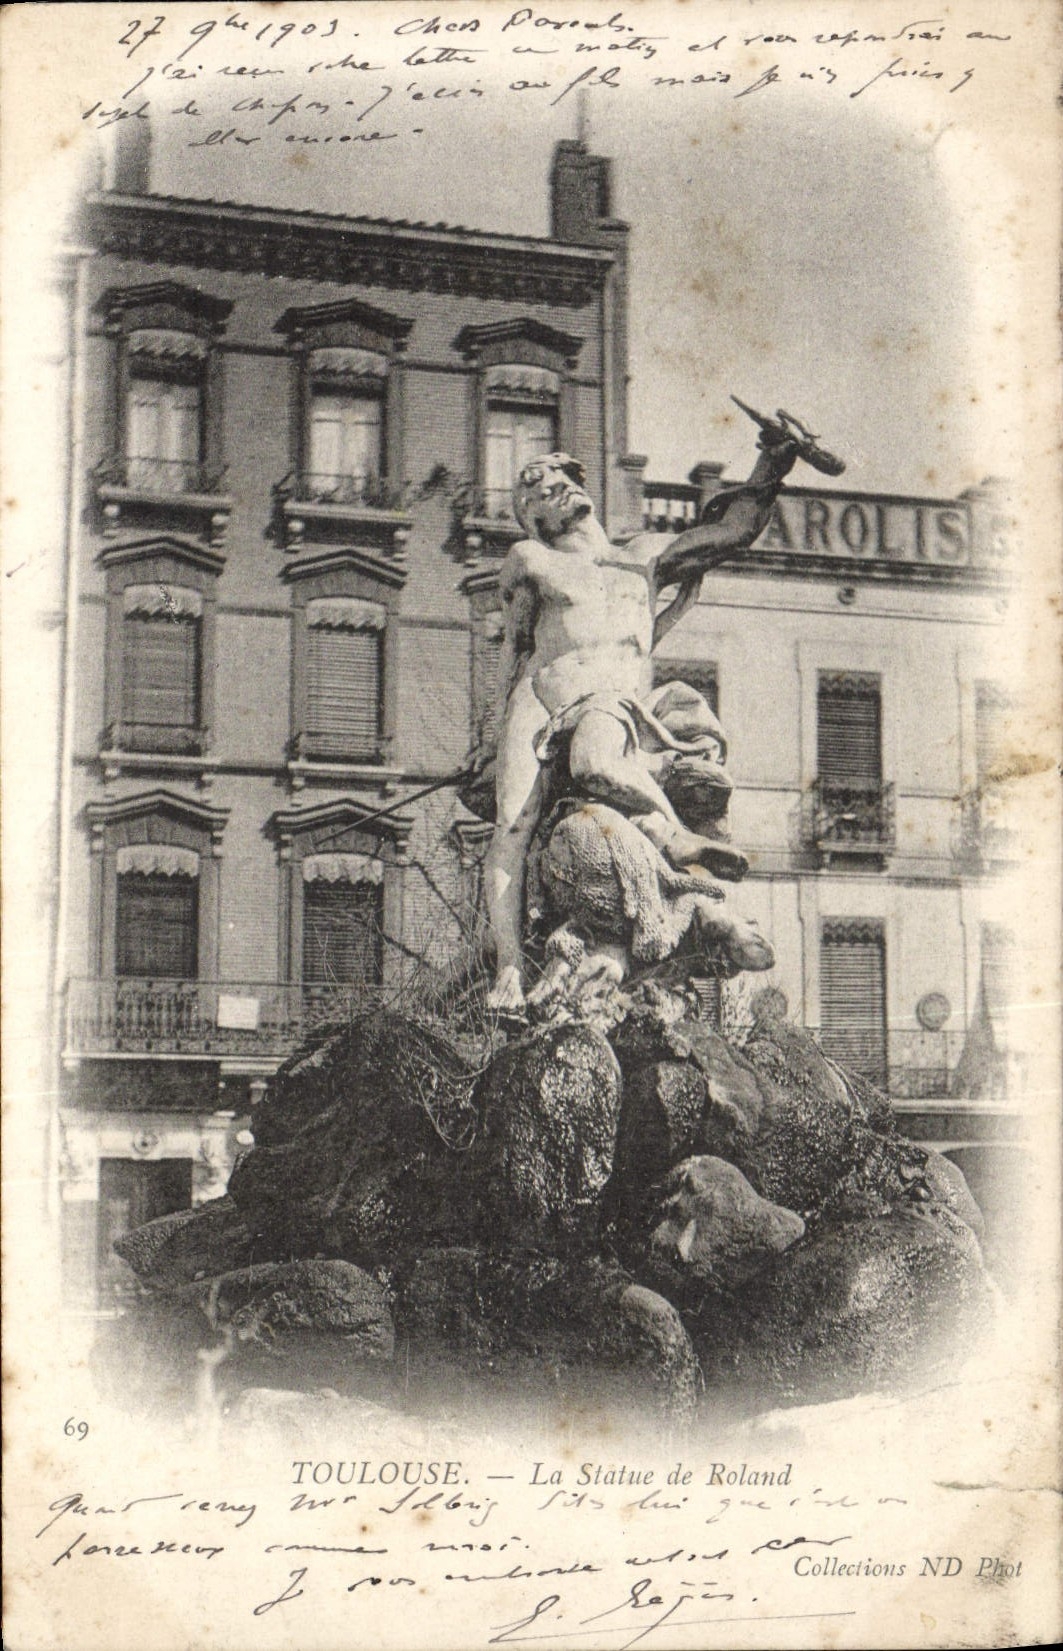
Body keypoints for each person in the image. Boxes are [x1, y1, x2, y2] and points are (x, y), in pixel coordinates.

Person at [483, 411, 841, 1010]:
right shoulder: (532, 560)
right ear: (533, 519)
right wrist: (491, 728)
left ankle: (670, 842)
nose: (560, 489)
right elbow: (515, 649)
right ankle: (509, 968)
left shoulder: (647, 556)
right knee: (511, 830)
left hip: (612, 701)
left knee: (597, 764)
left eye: (565, 479)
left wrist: (773, 462)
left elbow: (734, 531)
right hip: (542, 694)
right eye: (541, 491)